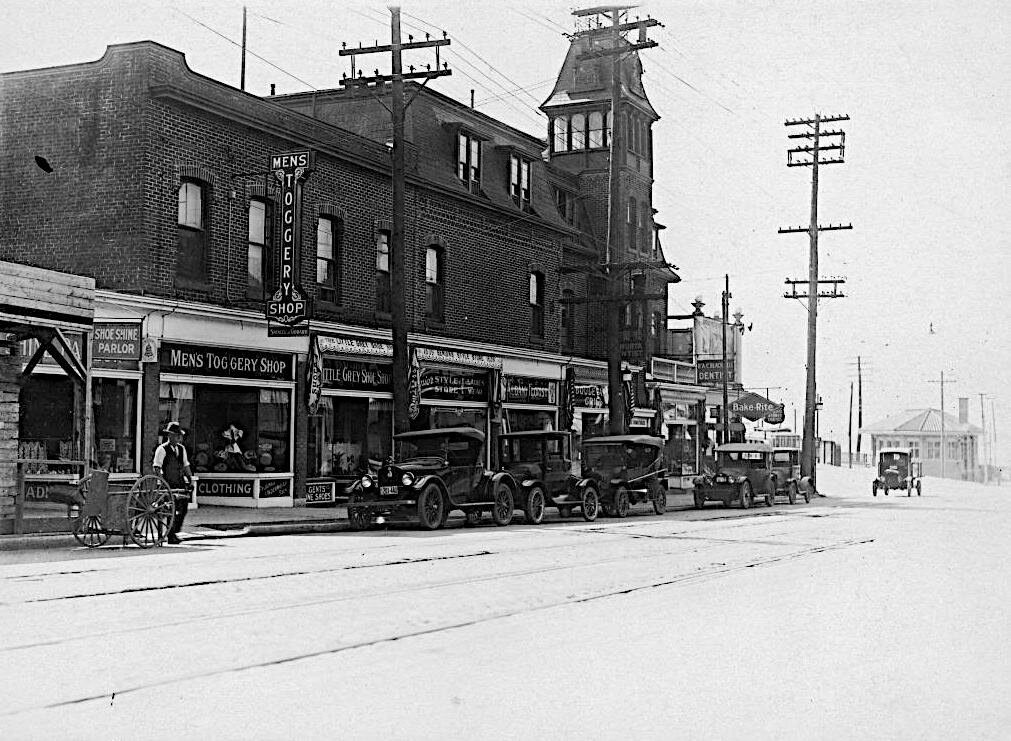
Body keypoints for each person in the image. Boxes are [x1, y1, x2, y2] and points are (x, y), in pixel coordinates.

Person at [153, 421, 194, 544]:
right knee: (171, 509)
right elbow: (157, 467)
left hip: (179, 482)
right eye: (176, 436)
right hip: (167, 483)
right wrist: (162, 483)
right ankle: (171, 535)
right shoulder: (162, 449)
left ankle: (174, 531)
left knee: (183, 508)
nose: (178, 438)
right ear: (169, 436)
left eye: (179, 436)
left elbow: (186, 465)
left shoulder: (181, 449)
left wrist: (190, 479)